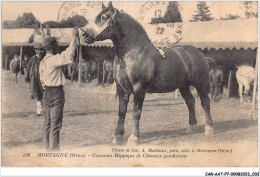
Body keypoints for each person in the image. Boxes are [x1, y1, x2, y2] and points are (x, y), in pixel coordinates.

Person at [39, 28, 79, 150]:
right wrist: (74, 39)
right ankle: (54, 151)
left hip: (46, 93)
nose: (57, 48)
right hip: (56, 93)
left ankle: (45, 148)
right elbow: (68, 55)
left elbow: (41, 80)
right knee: (55, 125)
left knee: (47, 123)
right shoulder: (53, 60)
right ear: (53, 47)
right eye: (56, 46)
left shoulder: (42, 62)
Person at [26, 43, 45, 116]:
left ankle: (45, 110)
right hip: (34, 79)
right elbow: (28, 70)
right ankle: (39, 111)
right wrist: (28, 79)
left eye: (41, 50)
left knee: (44, 94)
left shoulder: (44, 59)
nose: (41, 52)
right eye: (39, 50)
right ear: (36, 50)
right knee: (37, 95)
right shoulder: (32, 59)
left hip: (42, 79)